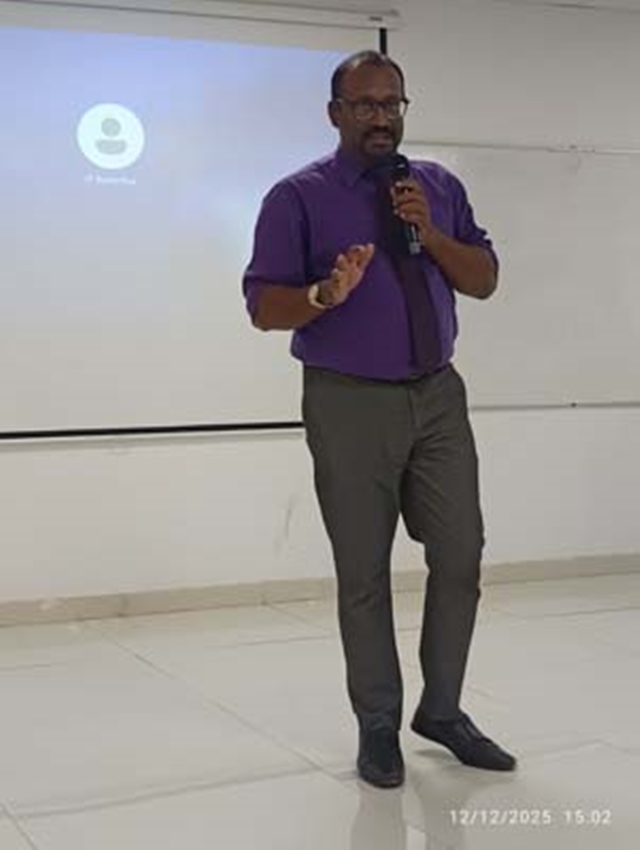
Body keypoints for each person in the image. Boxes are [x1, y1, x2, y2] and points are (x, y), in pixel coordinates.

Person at [242, 50, 516, 788]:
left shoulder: (435, 187)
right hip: (348, 400)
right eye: (364, 104)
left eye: (392, 103)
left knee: (461, 553)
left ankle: (443, 711)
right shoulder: (297, 197)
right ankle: (378, 724)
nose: (380, 117)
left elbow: (484, 279)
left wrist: (432, 233)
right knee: (363, 572)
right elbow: (264, 306)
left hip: (439, 395)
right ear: (335, 113)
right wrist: (325, 295)